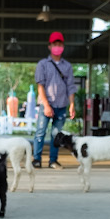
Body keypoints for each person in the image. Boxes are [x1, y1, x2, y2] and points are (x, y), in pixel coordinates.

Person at [33, 31, 77, 168]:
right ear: (49, 46)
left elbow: (70, 86)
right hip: (46, 104)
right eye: (55, 44)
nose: (57, 46)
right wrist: (46, 105)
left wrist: (72, 104)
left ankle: (53, 160)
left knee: (56, 135)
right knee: (40, 132)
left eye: (60, 44)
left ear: (63, 46)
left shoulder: (67, 66)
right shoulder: (43, 64)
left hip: (62, 104)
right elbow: (40, 86)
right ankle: (37, 159)